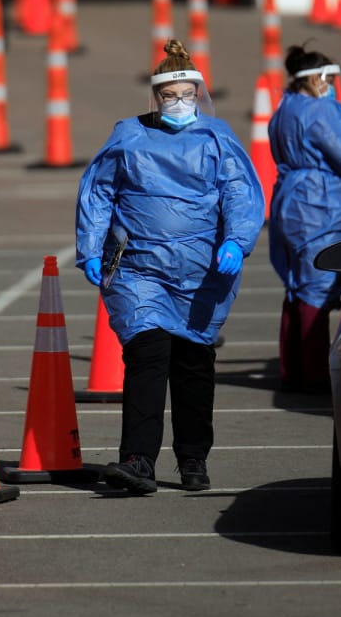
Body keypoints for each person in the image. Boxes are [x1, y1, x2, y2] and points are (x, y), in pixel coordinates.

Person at [76, 39, 266, 494]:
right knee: (146, 353)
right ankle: (138, 459)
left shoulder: (219, 139)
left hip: (202, 272)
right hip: (140, 269)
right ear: (156, 96)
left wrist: (238, 242)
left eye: (187, 95)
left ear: (199, 94)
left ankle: (193, 457)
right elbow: (98, 191)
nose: (178, 104)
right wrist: (89, 248)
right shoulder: (128, 136)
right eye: (169, 96)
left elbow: (241, 192)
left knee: (193, 362)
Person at [267, 44, 341, 393]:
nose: (331, 85)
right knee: (319, 288)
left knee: (296, 288)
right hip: (321, 205)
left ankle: (293, 371)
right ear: (315, 79)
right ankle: (316, 377)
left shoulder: (285, 108)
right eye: (329, 78)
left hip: (288, 199)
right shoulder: (319, 111)